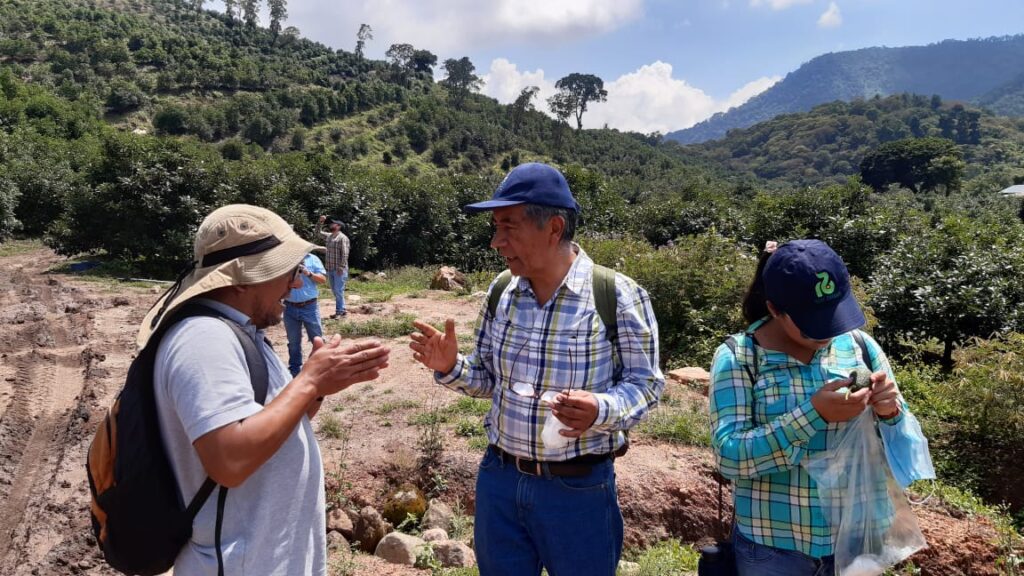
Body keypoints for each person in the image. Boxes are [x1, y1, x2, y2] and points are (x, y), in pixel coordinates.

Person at [409, 163, 665, 576]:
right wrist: (451, 366)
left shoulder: (617, 295)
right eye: (495, 227)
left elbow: (646, 385)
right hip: (500, 481)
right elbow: (489, 379)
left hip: (578, 489)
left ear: (554, 227)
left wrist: (601, 409)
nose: (496, 241)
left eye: (508, 226)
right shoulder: (501, 292)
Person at [140, 204, 390, 575]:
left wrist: (316, 389)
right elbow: (229, 461)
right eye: (286, 269)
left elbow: (274, 423)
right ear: (242, 277)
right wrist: (308, 381)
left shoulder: (241, 332)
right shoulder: (203, 339)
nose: (294, 282)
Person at [709, 239, 915, 576]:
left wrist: (891, 412)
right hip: (774, 550)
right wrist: (812, 415)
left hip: (857, 541)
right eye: (813, 321)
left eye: (833, 315)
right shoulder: (740, 359)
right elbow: (729, 456)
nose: (828, 332)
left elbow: (904, 445)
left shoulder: (860, 347)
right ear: (775, 309)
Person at [284, 252, 328, 376]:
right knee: (293, 342)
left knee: (317, 339)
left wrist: (308, 273)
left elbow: (323, 279)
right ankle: (295, 370)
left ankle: (319, 368)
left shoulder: (313, 259)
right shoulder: (286, 258)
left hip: (310, 307)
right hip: (289, 307)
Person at [317, 215, 350, 318]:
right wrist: (320, 222)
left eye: (333, 223)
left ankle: (339, 312)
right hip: (330, 268)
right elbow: (317, 233)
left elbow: (345, 253)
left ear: (338, 226)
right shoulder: (329, 236)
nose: (331, 224)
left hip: (339, 269)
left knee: (339, 290)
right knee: (335, 290)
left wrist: (341, 267)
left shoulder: (342, 238)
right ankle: (342, 310)